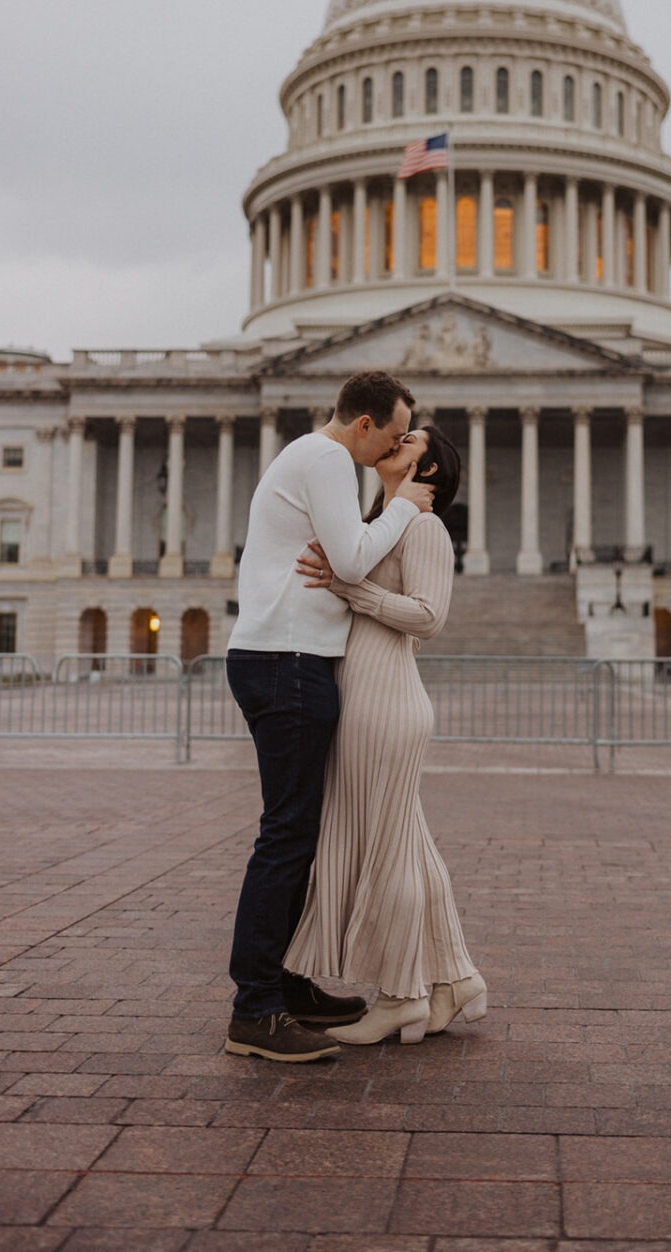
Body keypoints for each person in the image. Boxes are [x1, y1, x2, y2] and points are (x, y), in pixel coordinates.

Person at [224, 370, 435, 1063]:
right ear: (365, 425)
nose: (398, 448)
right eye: (397, 435)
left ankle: (284, 987)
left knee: (299, 835)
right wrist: (403, 506)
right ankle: (255, 1007)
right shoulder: (325, 459)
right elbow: (350, 559)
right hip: (284, 659)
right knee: (286, 836)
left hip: (290, 655)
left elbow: (344, 563)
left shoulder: (315, 460)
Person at [283, 424, 486, 1045]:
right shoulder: (384, 525)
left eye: (410, 442)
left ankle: (401, 997)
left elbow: (428, 617)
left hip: (385, 697)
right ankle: (454, 978)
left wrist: (352, 589)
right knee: (407, 843)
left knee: (388, 847)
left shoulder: (424, 528)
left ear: (426, 471)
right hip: (366, 692)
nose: (396, 442)